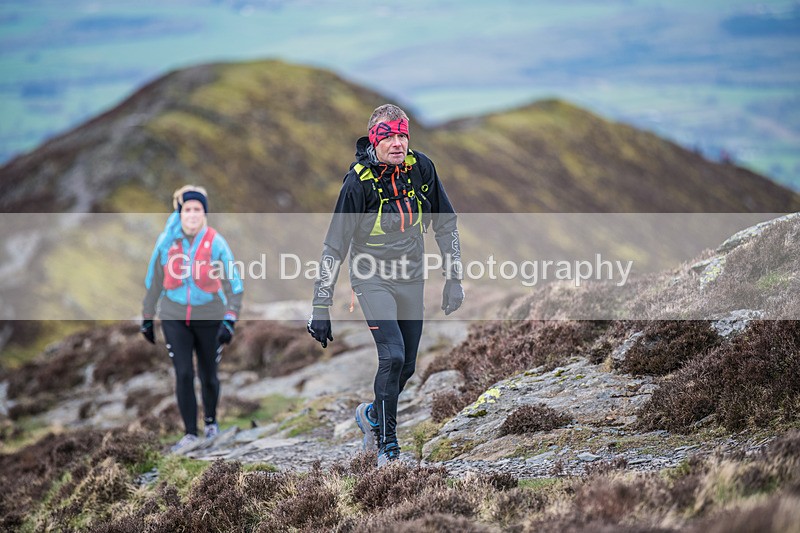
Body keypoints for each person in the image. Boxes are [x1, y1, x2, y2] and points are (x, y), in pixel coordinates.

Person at [307, 104, 464, 467]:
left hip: (411, 275)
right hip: (371, 278)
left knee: (407, 366)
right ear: (374, 140)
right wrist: (320, 305)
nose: (397, 143)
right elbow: (334, 246)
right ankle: (388, 447)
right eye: (388, 136)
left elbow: (446, 223)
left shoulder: (421, 168)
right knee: (391, 357)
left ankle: (373, 416)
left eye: (402, 135)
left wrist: (453, 279)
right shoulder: (357, 183)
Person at [141, 185, 244, 452]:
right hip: (174, 316)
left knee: (209, 375)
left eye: (198, 209)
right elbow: (154, 282)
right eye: (188, 210)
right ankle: (190, 434)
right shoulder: (166, 242)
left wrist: (230, 319)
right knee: (184, 373)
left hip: (210, 317)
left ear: (204, 213)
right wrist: (147, 317)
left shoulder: (215, 241)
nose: (193, 214)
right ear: (180, 213)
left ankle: (211, 423)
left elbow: (234, 284)